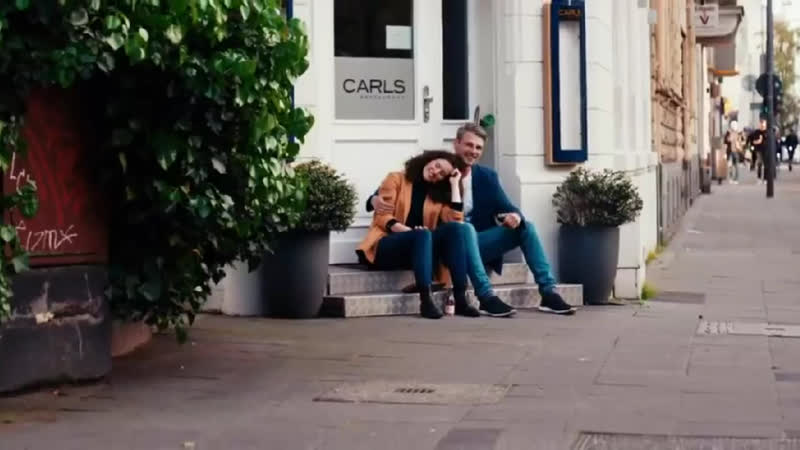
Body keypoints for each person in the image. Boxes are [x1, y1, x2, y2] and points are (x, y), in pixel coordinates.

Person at [367, 123, 576, 316]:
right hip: (447, 248)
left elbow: (507, 207)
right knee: (464, 228)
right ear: (456, 143)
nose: (473, 151)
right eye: (469, 145)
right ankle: (485, 296)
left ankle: (549, 292)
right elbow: (401, 188)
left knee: (526, 226)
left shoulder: (486, 177)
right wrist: (373, 199)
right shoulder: (440, 172)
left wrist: (514, 216)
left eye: (478, 148)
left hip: (477, 243)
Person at [356, 151, 482, 319]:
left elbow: (455, 220)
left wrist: (454, 184)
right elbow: (382, 216)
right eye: (437, 165)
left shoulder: (437, 195)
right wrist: (410, 232)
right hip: (386, 244)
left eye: (442, 173)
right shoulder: (396, 179)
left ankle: (460, 298)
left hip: (420, 249)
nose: (436, 171)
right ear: (428, 160)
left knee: (456, 229)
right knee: (422, 235)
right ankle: (426, 300)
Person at [751, 118, 768, 183]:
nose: (762, 125)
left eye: (763, 124)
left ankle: (765, 178)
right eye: (761, 124)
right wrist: (759, 140)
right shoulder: (757, 132)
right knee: (759, 163)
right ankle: (759, 178)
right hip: (759, 150)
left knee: (766, 164)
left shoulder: (767, 131)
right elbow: (754, 141)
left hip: (766, 150)